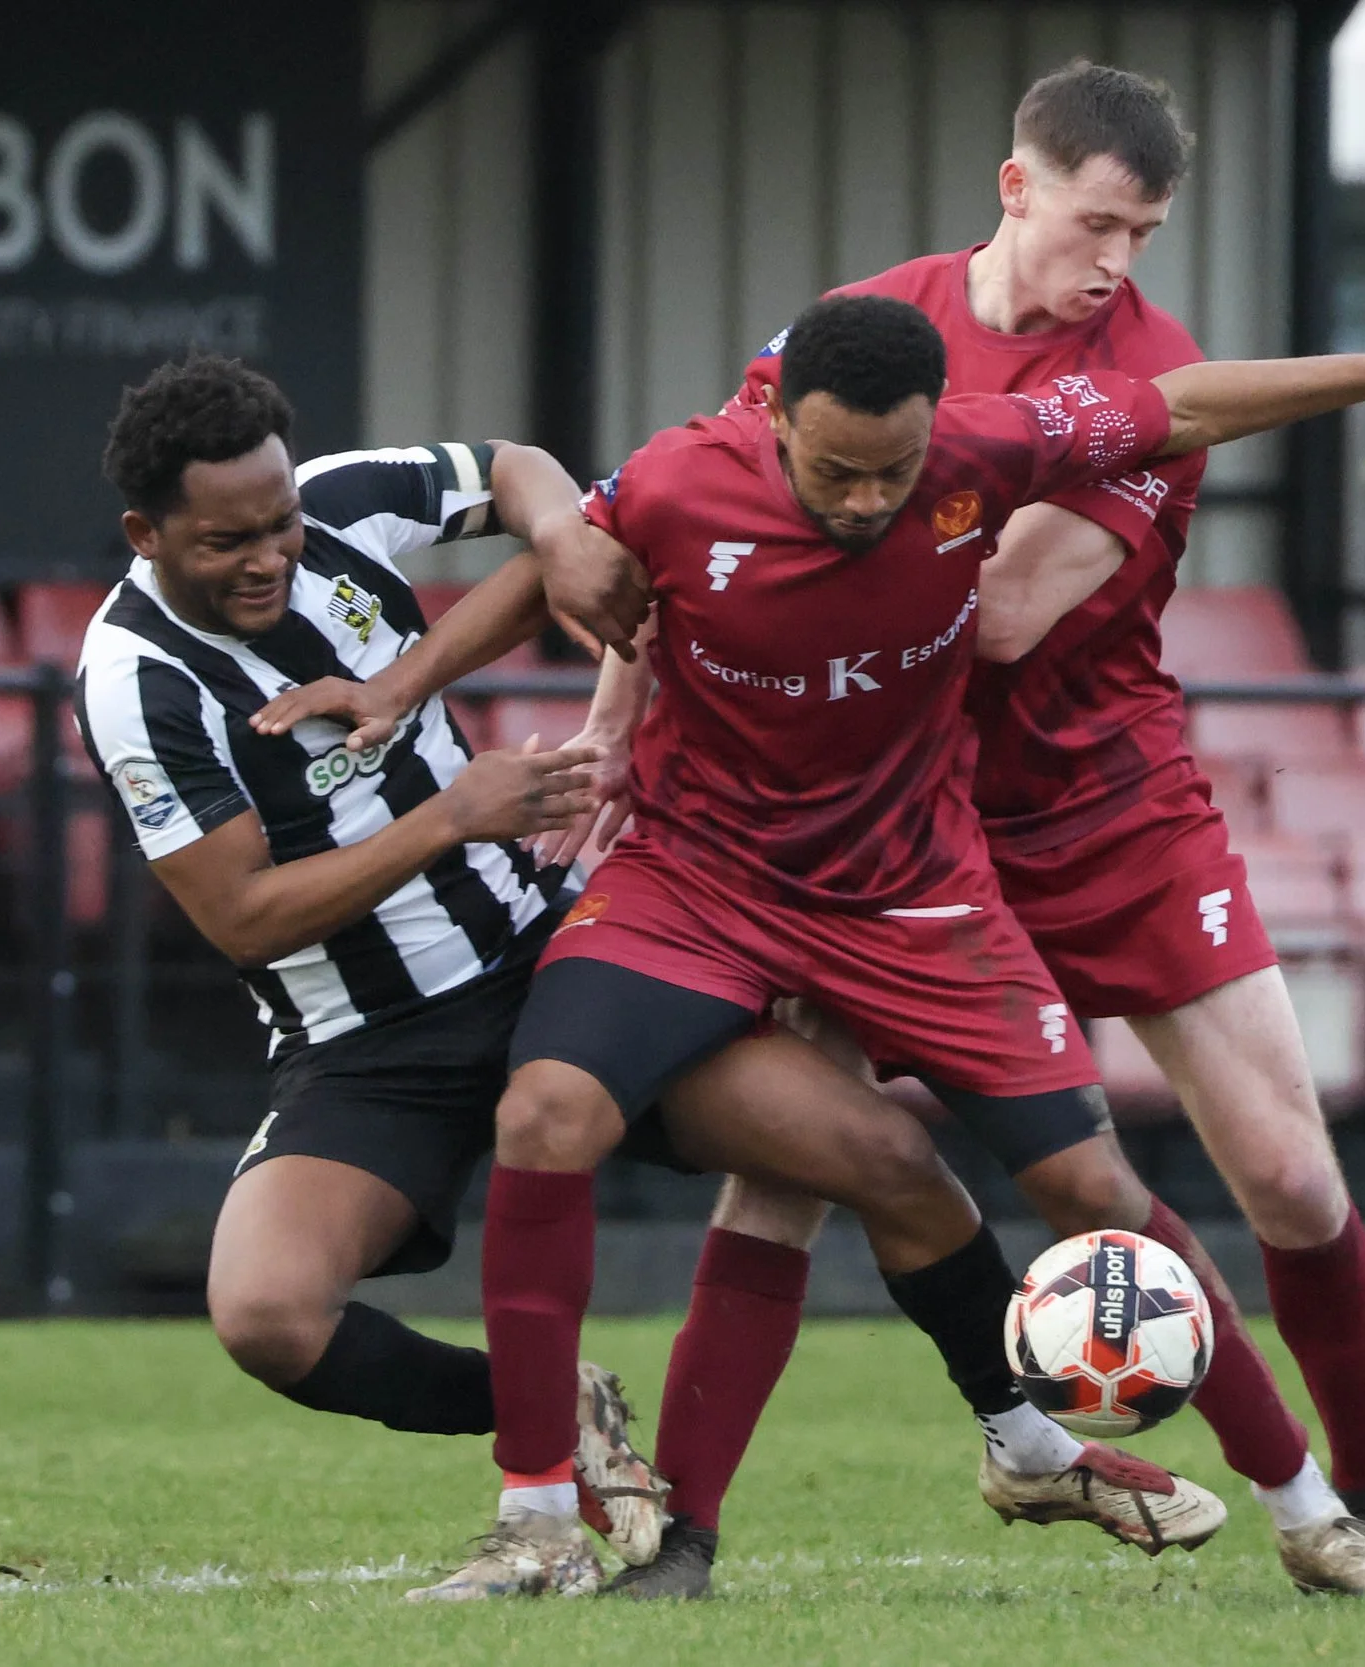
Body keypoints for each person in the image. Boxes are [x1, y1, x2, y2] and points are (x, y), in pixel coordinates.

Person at [349, 267, 1365, 1602]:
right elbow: (552, 562)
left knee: (1096, 1195)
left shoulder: (986, 450)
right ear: (777, 420)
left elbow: (1183, 404)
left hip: (914, 895)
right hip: (702, 881)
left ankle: (1315, 1513)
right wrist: (406, 681)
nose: (869, 501)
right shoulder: (685, 480)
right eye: (840, 473)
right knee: (547, 1112)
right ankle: (545, 1523)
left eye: (895, 472)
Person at [75, 355, 1205, 1599]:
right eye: (226, 540)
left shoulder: (338, 502)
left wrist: (563, 534)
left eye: (279, 521)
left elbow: (514, 471)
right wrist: (451, 815)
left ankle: (1029, 1441)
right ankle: (546, 1406)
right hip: (366, 1039)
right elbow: (241, 918)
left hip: (548, 958)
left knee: (887, 1162)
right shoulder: (135, 677)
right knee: (266, 1317)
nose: (269, 555)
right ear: (147, 532)